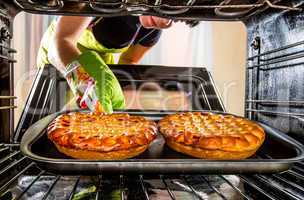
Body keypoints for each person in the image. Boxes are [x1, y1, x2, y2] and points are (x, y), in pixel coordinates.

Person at [37, 16, 172, 113]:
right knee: (52, 114)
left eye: (174, 18)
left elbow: (129, 61)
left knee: (96, 117)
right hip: (62, 54)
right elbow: (61, 43)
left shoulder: (152, 31)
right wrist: (84, 83)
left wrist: (120, 100)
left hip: (101, 63)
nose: (165, 21)